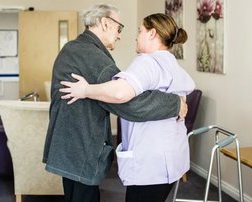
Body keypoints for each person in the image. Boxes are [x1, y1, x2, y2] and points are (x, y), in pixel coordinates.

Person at [42, 4, 187, 202]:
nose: (120, 35)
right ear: (105, 23)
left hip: (72, 145)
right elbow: (129, 103)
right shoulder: (91, 55)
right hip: (81, 146)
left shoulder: (74, 48)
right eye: (119, 28)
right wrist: (176, 103)